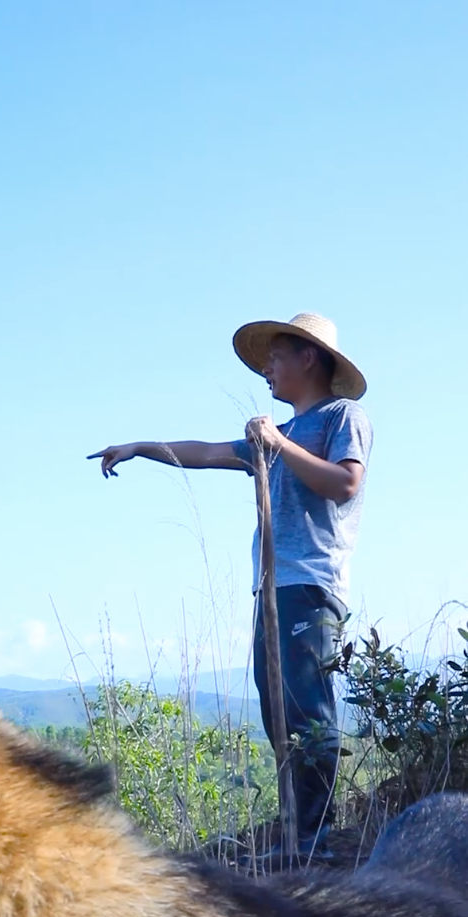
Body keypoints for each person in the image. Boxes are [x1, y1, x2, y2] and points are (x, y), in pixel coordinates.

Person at [88, 312, 373, 863]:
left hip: (311, 582)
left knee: (307, 707)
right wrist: (141, 447)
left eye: (276, 358)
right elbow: (207, 452)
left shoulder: (344, 416)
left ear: (308, 358)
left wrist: (276, 445)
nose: (266, 369)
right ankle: (296, 827)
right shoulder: (277, 435)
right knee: (278, 711)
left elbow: (345, 482)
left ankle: (317, 835)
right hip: (269, 586)